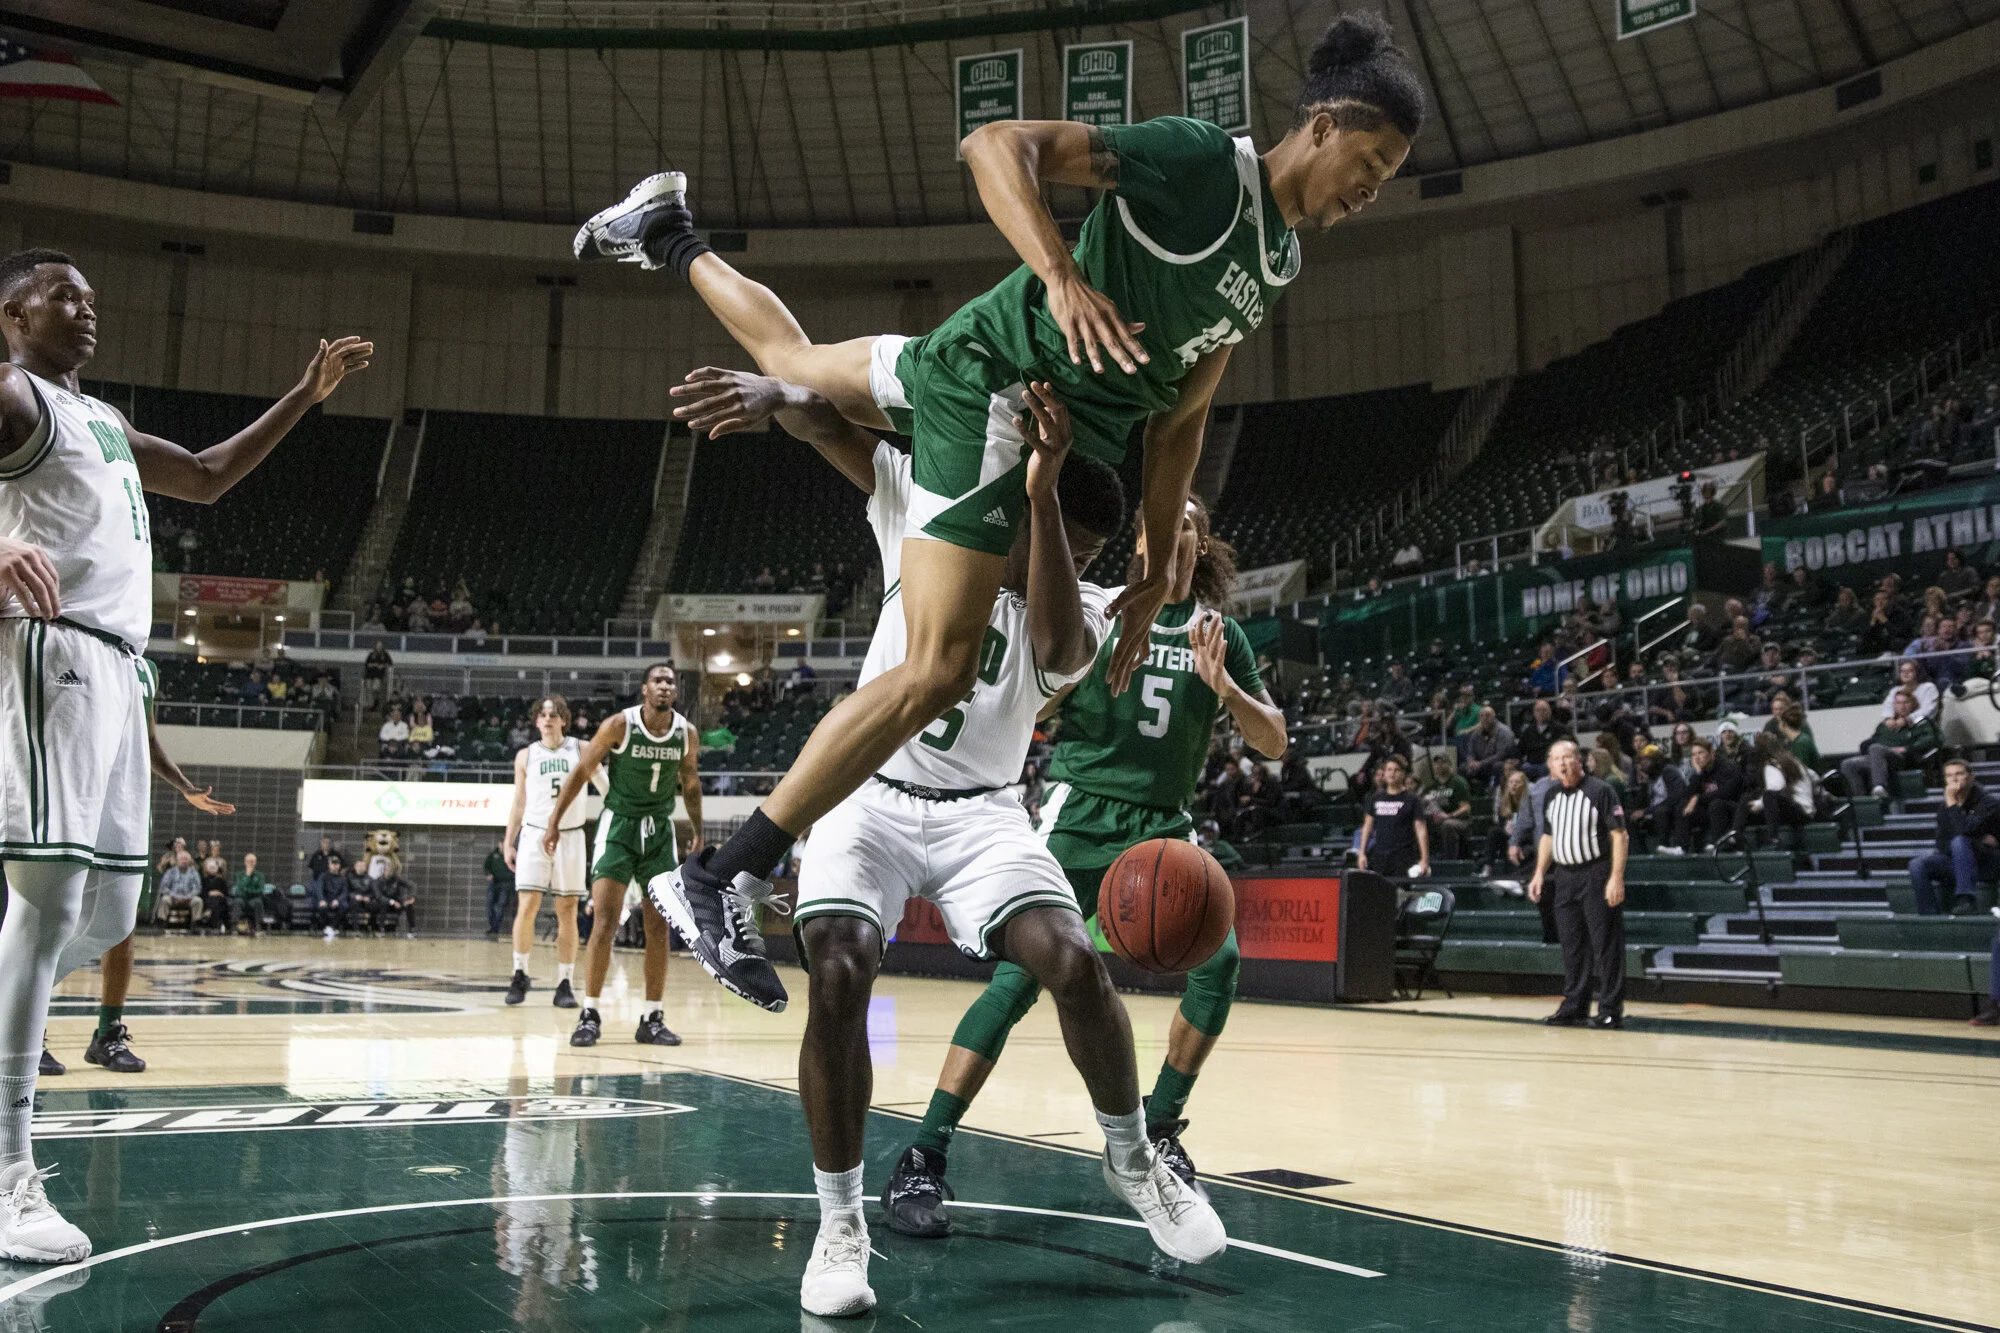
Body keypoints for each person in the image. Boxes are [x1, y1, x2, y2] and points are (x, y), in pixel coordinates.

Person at [584, 15, 1427, 1015]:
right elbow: (993, 148)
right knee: (936, 667)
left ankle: (665, 230)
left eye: (1387, 173)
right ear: (1323, 125)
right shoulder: (1203, 166)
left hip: (979, 363)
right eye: (1369, 160)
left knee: (794, 367)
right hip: (999, 395)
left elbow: (1184, 413)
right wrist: (1062, 275)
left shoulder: (1275, 254)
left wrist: (1157, 564)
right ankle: (723, 875)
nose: (1371, 187)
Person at [705, 373, 1212, 1317]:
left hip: (985, 813)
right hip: (869, 799)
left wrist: (1048, 500)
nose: (1081, 559)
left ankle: (1132, 1155)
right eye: (1069, 537)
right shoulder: (926, 509)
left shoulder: (1087, 601)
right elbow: (831, 425)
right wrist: (776, 391)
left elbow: (1060, 649)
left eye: (1093, 548)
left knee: (1074, 963)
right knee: (842, 971)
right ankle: (840, 1222)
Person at [0, 251, 363, 1267]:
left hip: (120, 667)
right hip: (50, 645)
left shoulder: (101, 421)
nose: (88, 308)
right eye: (66, 294)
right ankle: (7, 1177)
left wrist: (302, 395)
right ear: (14, 312)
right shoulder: (12, 395)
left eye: (92, 295)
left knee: (109, 913)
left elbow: (206, 474)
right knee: (44, 905)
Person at [877, 456, 1284, 1243]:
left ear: (1202, 548)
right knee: (1021, 977)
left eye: (1194, 529)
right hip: (1078, 811)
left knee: (1222, 960)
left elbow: (1273, 740)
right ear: (1144, 538)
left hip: (1164, 825)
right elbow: (1032, 688)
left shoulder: (1220, 633)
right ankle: (925, 1147)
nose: (1181, 537)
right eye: (1170, 525)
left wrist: (1227, 686)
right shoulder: (1098, 608)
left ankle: (1156, 1129)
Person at [546, 662, 699, 1049]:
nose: (665, 686)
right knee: (605, 921)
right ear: (644, 690)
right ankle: (590, 1013)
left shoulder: (686, 733)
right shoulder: (619, 724)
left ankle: (652, 1016)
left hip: (659, 833)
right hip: (618, 827)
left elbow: (692, 783)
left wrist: (696, 829)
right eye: (657, 680)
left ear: (675, 691)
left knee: (658, 928)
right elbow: (582, 772)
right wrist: (553, 821)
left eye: (670, 681)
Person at [502, 696, 600, 1008]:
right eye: (542, 715)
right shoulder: (525, 755)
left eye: (554, 714)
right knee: (527, 905)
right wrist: (509, 841)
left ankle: (565, 982)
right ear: (536, 721)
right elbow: (519, 801)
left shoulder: (582, 748)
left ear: (563, 720)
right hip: (533, 834)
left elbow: (605, 784)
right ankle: (520, 973)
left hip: (571, 836)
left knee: (567, 909)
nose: (547, 719)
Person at [1528, 740, 1629, 1029]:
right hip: (1564, 877)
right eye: (1556, 759)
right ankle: (1574, 1005)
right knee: (1572, 945)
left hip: (1596, 872)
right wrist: (1538, 873)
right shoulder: (1550, 796)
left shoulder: (1601, 791)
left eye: (1568, 757)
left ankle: (1610, 1008)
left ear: (1579, 760)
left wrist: (1616, 877)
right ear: (1549, 765)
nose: (1563, 763)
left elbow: (1620, 835)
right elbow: (1548, 837)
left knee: (1605, 944)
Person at [1907, 758, 2000, 916]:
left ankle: (1966, 900)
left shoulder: (1988, 803)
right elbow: (1941, 843)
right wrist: (1974, 838)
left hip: (1987, 863)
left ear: (1971, 776)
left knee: (1960, 841)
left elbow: (1963, 831)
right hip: (1957, 862)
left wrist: (1952, 803)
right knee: (1917, 864)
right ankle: (1929, 915)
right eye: (1949, 775)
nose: (1954, 779)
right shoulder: (1945, 808)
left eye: (1959, 774)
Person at [1839, 688, 1937, 801]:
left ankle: (1880, 787)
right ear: (1894, 706)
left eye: (1906, 702)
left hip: (1903, 758)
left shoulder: (1920, 722)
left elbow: (1930, 739)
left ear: (1912, 705)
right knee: (1848, 764)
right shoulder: (1885, 725)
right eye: (1899, 703)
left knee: (1876, 748)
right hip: (1879, 758)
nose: (1902, 706)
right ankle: (1861, 800)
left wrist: (1907, 748)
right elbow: (1871, 741)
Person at [1736, 732, 1814, 852]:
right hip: (1806, 808)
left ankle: (1772, 838)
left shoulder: (1771, 764)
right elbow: (1814, 776)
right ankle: (1736, 835)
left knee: (1761, 796)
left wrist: (1759, 804)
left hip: (1799, 812)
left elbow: (1776, 788)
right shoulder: (1791, 758)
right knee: (1751, 797)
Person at [1357, 753, 1428, 879]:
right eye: (1389, 770)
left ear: (1403, 774)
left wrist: (1424, 859)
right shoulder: (1376, 798)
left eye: (1396, 770)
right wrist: (1362, 853)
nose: (1392, 773)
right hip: (1380, 856)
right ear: (1384, 773)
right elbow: (1367, 826)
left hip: (1403, 856)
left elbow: (1421, 830)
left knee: (1401, 895)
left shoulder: (1412, 799)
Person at [1680, 737, 1742, 853]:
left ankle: (1718, 844)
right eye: (1693, 754)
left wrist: (1698, 798)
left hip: (1732, 809)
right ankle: (1683, 847)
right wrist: (1698, 773)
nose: (1697, 758)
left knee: (1716, 804)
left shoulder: (1727, 766)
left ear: (1711, 753)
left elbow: (1727, 792)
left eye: (1700, 753)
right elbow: (1689, 796)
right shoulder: (1700, 772)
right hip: (1710, 812)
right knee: (1684, 804)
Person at [1630, 745, 1686, 854]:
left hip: (1670, 814)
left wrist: (1646, 811)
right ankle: (1640, 852)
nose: (1643, 763)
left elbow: (1675, 797)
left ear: (1657, 760)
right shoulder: (1649, 777)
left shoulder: (1669, 771)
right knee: (1630, 817)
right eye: (1641, 760)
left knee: (1661, 811)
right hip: (1653, 814)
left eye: (1647, 759)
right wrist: (1643, 784)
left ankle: (1664, 846)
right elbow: (1639, 803)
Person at [1420, 751, 1473, 860]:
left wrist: (1449, 816)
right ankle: (1422, 858)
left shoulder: (1458, 782)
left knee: (1447, 825)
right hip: (1436, 818)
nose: (1439, 766)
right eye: (1436, 763)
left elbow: (1466, 808)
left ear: (1449, 764)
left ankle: (1450, 861)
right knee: (1419, 822)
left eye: (1442, 762)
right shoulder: (1431, 786)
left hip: (1460, 820)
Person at [1460, 706, 1516, 789]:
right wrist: (1471, 762)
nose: (1484, 718)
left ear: (1494, 716)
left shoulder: (1504, 731)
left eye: (1488, 715)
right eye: (1482, 716)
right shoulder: (1476, 733)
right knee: (1463, 768)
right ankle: (1471, 796)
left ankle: (1495, 793)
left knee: (1498, 766)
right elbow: (1470, 751)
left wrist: (1480, 764)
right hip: (1481, 765)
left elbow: (1501, 755)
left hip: (1498, 763)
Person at [152, 850, 202, 926]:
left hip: (189, 899)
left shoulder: (194, 872)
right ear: (177, 861)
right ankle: (161, 923)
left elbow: (197, 888)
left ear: (189, 861)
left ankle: (196, 924)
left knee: (198, 901)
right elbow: (163, 887)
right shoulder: (170, 872)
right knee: (165, 899)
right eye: (181, 859)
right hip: (173, 898)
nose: (184, 861)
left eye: (186, 859)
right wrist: (174, 895)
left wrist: (188, 897)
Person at [310, 852, 350, 937]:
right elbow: (319, 889)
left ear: (339, 865)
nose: (335, 866)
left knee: (345, 907)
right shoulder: (323, 876)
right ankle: (328, 927)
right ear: (329, 865)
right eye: (333, 864)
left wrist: (338, 900)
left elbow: (345, 892)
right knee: (322, 908)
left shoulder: (343, 878)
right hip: (326, 899)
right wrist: (321, 900)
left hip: (337, 899)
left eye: (337, 864)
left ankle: (331, 927)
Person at [230, 852, 268, 936]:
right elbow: (239, 889)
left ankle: (258, 926)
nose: (250, 863)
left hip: (254, 899)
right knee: (237, 902)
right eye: (248, 861)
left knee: (258, 902)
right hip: (242, 898)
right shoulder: (240, 875)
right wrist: (248, 875)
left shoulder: (259, 875)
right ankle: (234, 926)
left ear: (255, 863)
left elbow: (260, 890)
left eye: (252, 861)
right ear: (245, 862)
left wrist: (247, 890)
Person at [484, 835, 515, 938]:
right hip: (494, 883)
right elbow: (486, 866)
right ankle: (492, 926)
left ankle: (495, 929)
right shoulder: (494, 854)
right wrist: (488, 874)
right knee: (489, 905)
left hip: (506, 883)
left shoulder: (512, 854)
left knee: (500, 906)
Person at [362, 640, 392, 710]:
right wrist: (373, 665)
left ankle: (376, 701)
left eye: (380, 645)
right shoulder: (371, 654)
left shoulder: (385, 654)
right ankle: (371, 704)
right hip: (369, 675)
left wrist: (383, 665)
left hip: (379, 675)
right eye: (378, 645)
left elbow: (390, 663)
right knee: (369, 689)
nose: (379, 647)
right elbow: (367, 664)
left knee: (375, 688)